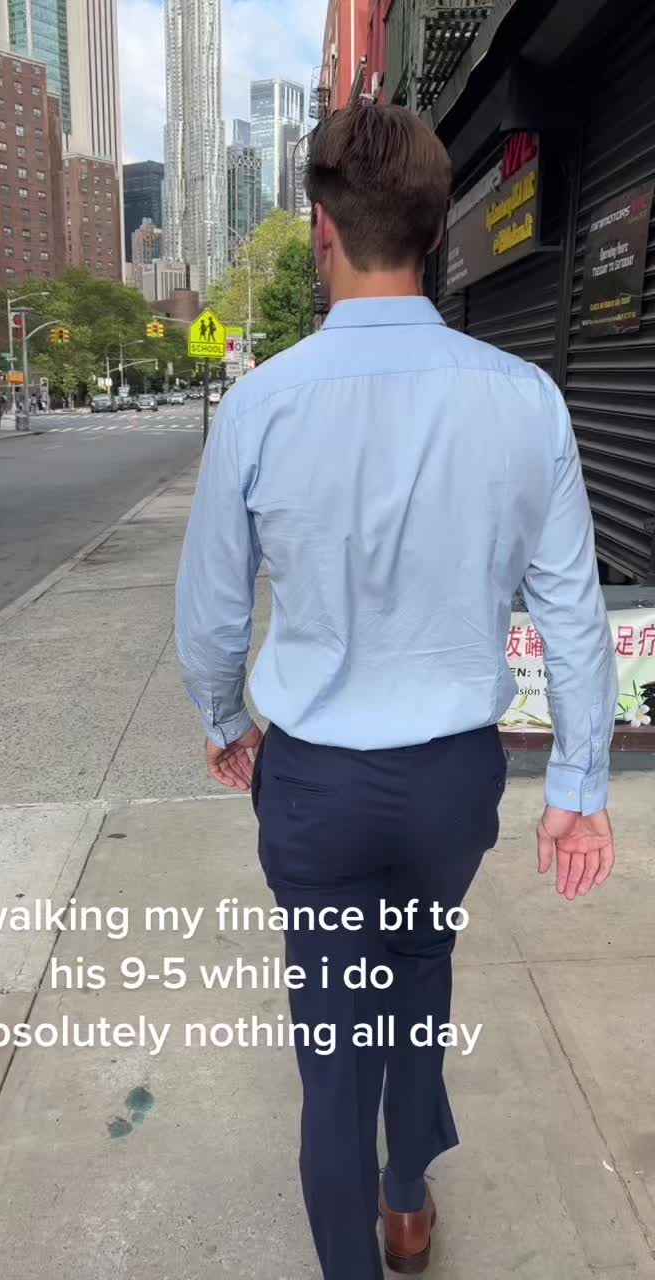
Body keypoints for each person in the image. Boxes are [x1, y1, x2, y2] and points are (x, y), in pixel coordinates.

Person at [175, 103, 618, 1280]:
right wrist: (578, 783)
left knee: (335, 1055)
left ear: (323, 232)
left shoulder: (262, 402)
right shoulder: (524, 397)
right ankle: (408, 1198)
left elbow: (213, 608)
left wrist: (225, 719)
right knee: (419, 978)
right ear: (433, 234)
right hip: (449, 784)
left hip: (317, 782)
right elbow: (572, 610)